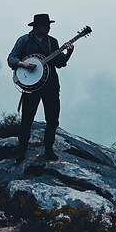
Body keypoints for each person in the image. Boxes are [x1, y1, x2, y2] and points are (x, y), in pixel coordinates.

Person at [7, 13, 74, 163]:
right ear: (36, 27)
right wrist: (24, 65)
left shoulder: (53, 42)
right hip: (32, 87)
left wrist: (69, 53)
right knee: (27, 119)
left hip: (50, 85)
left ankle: (49, 150)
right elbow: (11, 58)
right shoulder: (24, 40)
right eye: (45, 26)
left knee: (52, 119)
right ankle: (21, 151)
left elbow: (59, 63)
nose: (48, 28)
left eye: (49, 26)